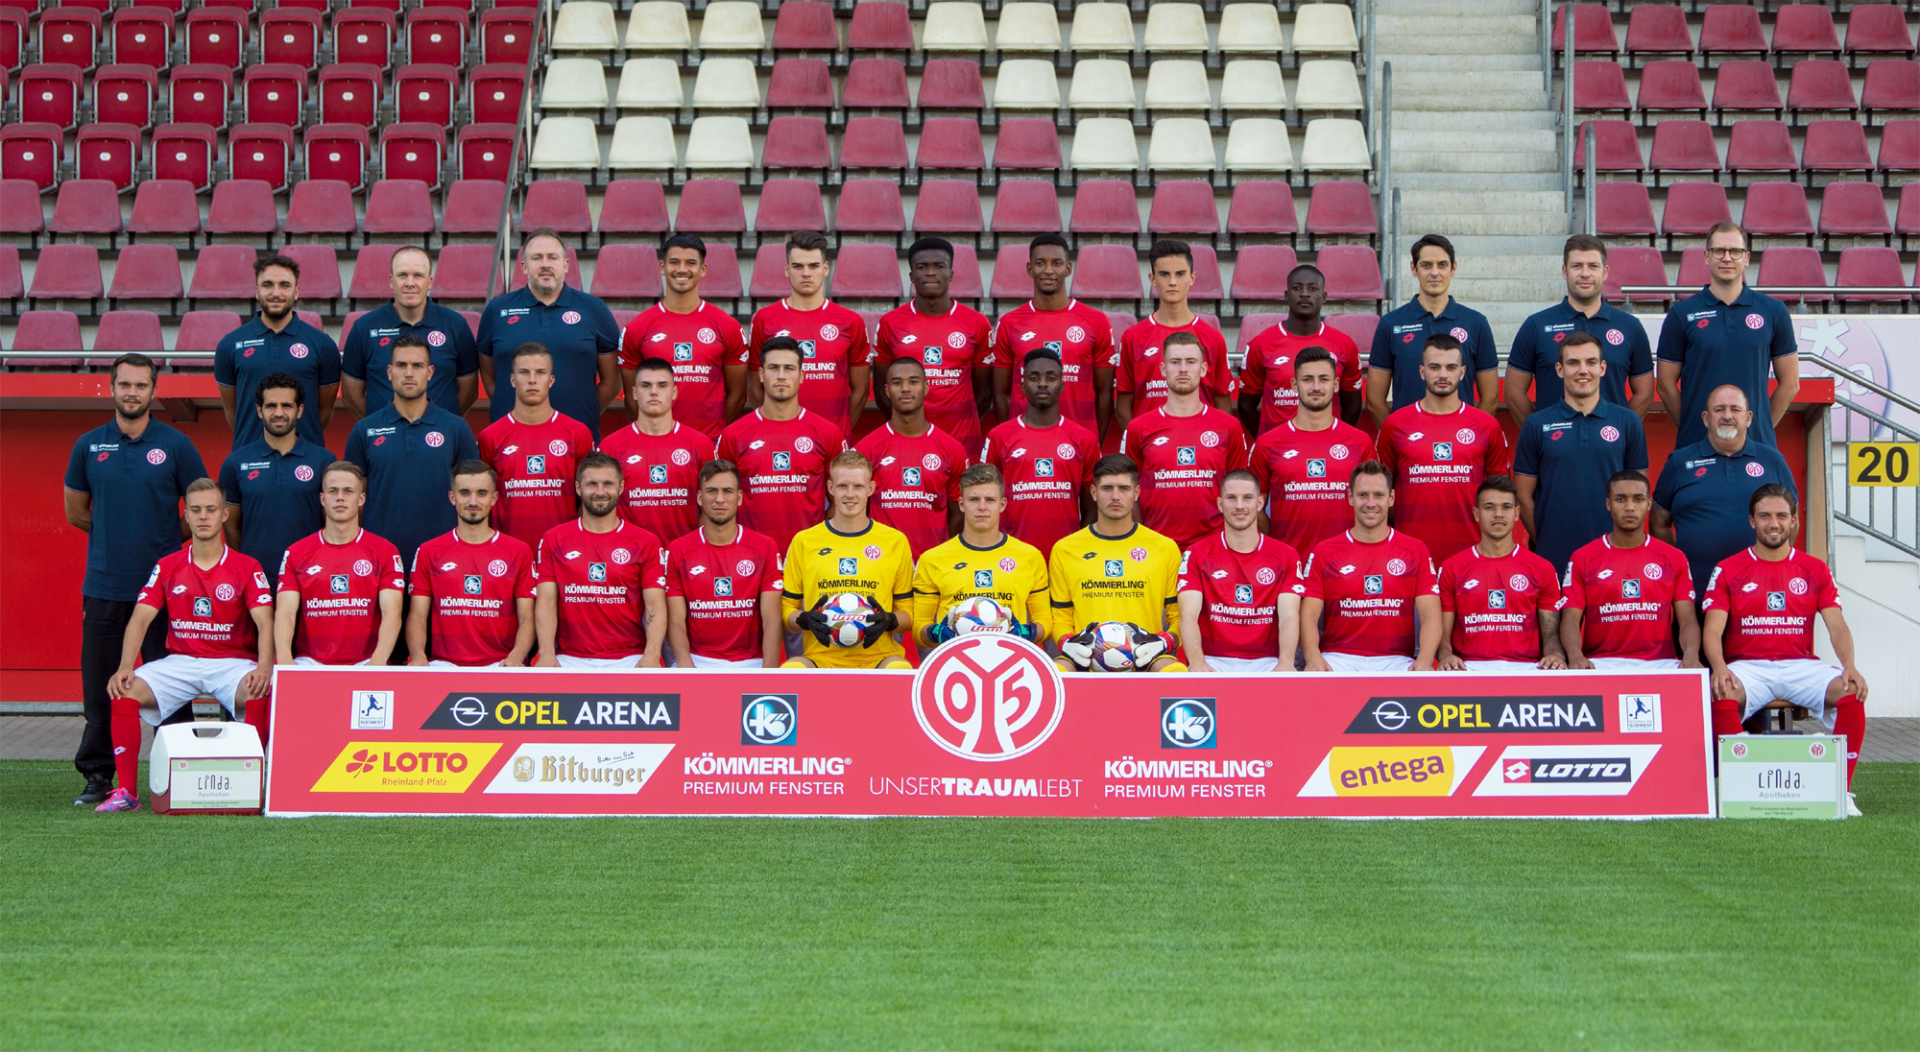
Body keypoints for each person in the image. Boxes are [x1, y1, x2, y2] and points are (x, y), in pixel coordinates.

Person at [64, 353, 208, 806]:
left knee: (174, 685)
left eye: (141, 385)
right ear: (111, 388)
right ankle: (98, 775)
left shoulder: (178, 444)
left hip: (167, 592)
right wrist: (113, 534)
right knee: (102, 685)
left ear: (153, 390)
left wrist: (165, 539)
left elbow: (200, 508)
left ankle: (177, 769)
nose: (132, 392)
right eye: (124, 384)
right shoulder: (88, 445)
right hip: (105, 587)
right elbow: (76, 511)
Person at [93, 479, 274, 813]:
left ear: (224, 514)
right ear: (186, 517)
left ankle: (257, 789)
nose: (203, 516)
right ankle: (127, 792)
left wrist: (264, 667)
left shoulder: (247, 566)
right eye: (195, 510)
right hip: (181, 661)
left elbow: (265, 621)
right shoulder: (168, 565)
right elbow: (140, 618)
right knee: (124, 690)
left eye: (210, 509)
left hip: (232, 663)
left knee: (259, 689)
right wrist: (124, 667)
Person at [1703, 485, 1867, 813]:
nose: (1773, 523)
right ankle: (1740, 789)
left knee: (1851, 690)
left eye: (1781, 515)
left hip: (1800, 665)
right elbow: (1712, 629)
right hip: (1749, 667)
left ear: (1794, 521)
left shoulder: (1815, 568)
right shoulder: (1729, 568)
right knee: (1721, 692)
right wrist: (1719, 667)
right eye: (1765, 516)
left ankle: (1841, 791)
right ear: (1752, 521)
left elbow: (1837, 626)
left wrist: (1849, 665)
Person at [1512, 332, 1650, 575]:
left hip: (1614, 557)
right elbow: (1523, 496)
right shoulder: (1536, 425)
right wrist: (1547, 541)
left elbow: (1638, 493)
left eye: (1591, 362)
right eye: (1573, 363)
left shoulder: (1628, 422)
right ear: (1559, 369)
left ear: (1603, 367)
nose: (1582, 370)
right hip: (1554, 557)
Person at [1656, 221, 1800, 449]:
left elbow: (1790, 383)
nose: (1727, 258)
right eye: (1719, 251)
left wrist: (1757, 428)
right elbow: (1665, 384)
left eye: (1735, 251)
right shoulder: (1681, 314)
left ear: (1747, 258)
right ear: (1706, 257)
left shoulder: (1773, 312)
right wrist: (1692, 426)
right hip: (1697, 445)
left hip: (1756, 447)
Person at [343, 335, 481, 572]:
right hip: (381, 561)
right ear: (389, 371)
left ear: (430, 372)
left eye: (417, 366)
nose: (409, 373)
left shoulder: (456, 428)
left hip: (444, 561)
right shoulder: (363, 430)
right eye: (401, 365)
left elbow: (473, 498)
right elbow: (355, 502)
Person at [1374, 334, 1511, 566]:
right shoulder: (1395, 425)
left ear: (1463, 372)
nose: (1443, 375)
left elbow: (1500, 496)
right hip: (1410, 556)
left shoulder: (1486, 425)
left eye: (1451, 367)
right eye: (1434, 367)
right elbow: (1380, 493)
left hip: (1472, 556)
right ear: (1421, 371)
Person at [1652, 383, 1798, 596]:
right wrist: (1680, 569)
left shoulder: (1773, 460)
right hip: (1695, 594)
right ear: (1705, 418)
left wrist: (1773, 564)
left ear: (1748, 418)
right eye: (1719, 409)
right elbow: (1658, 524)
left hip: (1759, 593)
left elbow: (1792, 521)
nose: (1727, 416)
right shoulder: (1679, 461)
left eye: (1735, 409)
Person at [477, 227, 621, 440]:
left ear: (566, 265)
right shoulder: (497, 311)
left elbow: (612, 382)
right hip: (510, 440)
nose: (545, 264)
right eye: (537, 258)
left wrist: (582, 416)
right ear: (524, 267)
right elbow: (491, 380)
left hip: (575, 440)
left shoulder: (594, 310)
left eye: (552, 257)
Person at [1048, 455, 1186, 674]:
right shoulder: (1065, 549)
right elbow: (1060, 617)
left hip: (1146, 657)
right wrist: (1068, 644)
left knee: (1177, 673)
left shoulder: (1164, 548)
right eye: (1107, 488)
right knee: (1052, 673)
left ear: (1136, 493)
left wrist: (1163, 643)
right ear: (1094, 493)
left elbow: (1179, 616)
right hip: (1087, 658)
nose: (1115, 496)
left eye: (1123, 488)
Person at [1299, 461, 1442, 672]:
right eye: (1363, 495)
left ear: (1391, 498)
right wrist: (1312, 658)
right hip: (1338, 659)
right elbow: (1308, 615)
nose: (1370, 503)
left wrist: (1425, 660)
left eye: (1379, 495)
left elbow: (1431, 614)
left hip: (1397, 660)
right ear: (1350, 497)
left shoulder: (1415, 550)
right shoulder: (1325, 551)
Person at [272, 462, 406, 687]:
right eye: (333, 491)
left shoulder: (385, 551)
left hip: (366, 662)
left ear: (361, 499)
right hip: (311, 663)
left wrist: (379, 660)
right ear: (323, 499)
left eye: (348, 491)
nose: (340, 498)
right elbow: (285, 612)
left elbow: (392, 612)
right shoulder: (296, 552)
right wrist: (285, 660)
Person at [781, 451, 916, 669]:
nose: (850, 494)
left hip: (878, 658)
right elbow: (787, 607)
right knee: (791, 670)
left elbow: (908, 613)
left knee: (899, 670)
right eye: (842, 486)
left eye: (858, 487)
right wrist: (804, 619)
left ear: (870, 488)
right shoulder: (804, 541)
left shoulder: (895, 541)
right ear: (830, 487)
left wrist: (889, 621)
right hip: (821, 658)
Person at [715, 337, 848, 557]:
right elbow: (721, 503)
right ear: (760, 375)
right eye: (773, 368)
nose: (781, 376)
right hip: (750, 558)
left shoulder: (827, 433)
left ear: (802, 375)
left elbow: (841, 502)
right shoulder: (733, 435)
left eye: (789, 368)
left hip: (810, 556)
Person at [532, 452, 667, 668]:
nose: (600, 492)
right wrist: (546, 653)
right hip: (569, 658)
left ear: (621, 487)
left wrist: (651, 655)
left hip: (629, 658)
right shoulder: (553, 539)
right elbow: (546, 602)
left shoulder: (646, 541)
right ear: (578, 488)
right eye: (592, 484)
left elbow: (655, 605)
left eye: (608, 484)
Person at [1559, 470, 1702, 671]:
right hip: (1600, 664)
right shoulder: (1583, 557)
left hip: (1661, 664)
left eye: (1638, 499)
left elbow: (1687, 619)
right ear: (1608, 504)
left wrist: (1690, 655)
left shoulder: (1673, 557)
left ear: (1649, 505)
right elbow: (1570, 619)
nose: (1629, 507)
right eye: (1620, 499)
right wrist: (1575, 656)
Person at [1503, 235, 1654, 423]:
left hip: (1610, 448)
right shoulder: (1536, 326)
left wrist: (1621, 432)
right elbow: (1513, 393)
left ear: (1605, 272)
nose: (1585, 273)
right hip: (1554, 449)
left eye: (1593, 266)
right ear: (1565, 271)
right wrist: (1540, 436)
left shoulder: (1630, 327)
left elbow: (1645, 393)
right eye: (1577, 266)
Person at [1120, 331, 1249, 548]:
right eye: (1175, 362)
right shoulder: (1138, 428)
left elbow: (1239, 491)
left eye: (1190, 361)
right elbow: (1130, 493)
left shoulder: (1228, 426)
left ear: (1203, 369)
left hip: (1213, 547)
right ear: (1163, 369)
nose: (1182, 368)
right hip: (1156, 546)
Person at [1247, 346, 1378, 558]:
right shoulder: (1267, 444)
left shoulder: (1360, 442)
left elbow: (1373, 506)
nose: (1316, 387)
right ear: (1294, 384)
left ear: (1336, 385)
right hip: (1290, 567)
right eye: (1307, 379)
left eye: (1324, 379)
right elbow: (1253, 507)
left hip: (1348, 563)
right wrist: (1279, 544)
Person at [406, 461, 536, 667]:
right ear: (452, 497)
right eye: (465, 493)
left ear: (493, 498)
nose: (473, 501)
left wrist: (516, 657)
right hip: (444, 665)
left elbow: (528, 616)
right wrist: (418, 656)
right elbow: (417, 615)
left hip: (501, 665)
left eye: (482, 493)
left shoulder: (519, 551)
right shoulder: (429, 551)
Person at [873, 236, 995, 453]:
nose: (930, 272)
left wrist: (961, 423)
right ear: (911, 276)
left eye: (939, 266)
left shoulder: (977, 323)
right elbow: (882, 388)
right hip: (908, 440)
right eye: (922, 267)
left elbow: (984, 393)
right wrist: (906, 424)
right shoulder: (890, 323)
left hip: (963, 442)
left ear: (951, 274)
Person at [621, 233, 749, 439]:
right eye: (674, 262)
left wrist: (710, 437)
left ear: (702, 270)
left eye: (690, 263)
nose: (682, 269)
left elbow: (737, 396)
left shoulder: (728, 327)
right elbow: (631, 397)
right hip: (656, 442)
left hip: (709, 444)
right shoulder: (637, 328)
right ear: (662, 267)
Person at [991, 233, 1117, 439]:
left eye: (1056, 263)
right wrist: (1012, 437)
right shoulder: (1010, 323)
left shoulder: (1096, 321)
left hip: (1079, 443)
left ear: (1067, 269)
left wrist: (1093, 442)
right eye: (1040, 263)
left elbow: (1105, 395)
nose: (1048, 270)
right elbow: (1000, 394)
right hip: (1023, 444)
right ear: (1030, 269)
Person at [911, 463, 1051, 648]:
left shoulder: (1030, 556)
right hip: (955, 662)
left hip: (1011, 659)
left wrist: (1025, 633)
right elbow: (919, 628)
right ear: (962, 504)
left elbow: (1045, 623)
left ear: (1002, 505)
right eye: (974, 499)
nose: (982, 507)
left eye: (990, 500)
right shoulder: (932, 559)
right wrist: (936, 633)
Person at [1436, 475, 1567, 672]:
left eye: (1506, 507)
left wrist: (1555, 655)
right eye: (1489, 507)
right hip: (1469, 668)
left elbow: (1551, 636)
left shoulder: (1542, 568)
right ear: (1477, 513)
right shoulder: (1452, 568)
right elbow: (1443, 637)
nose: (1498, 514)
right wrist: (1446, 656)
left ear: (1516, 513)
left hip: (1527, 668)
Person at [1177, 469, 1302, 673]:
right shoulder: (1196, 553)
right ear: (1220, 504)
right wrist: (1198, 662)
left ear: (1260, 503)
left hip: (1267, 662)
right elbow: (1187, 615)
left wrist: (1286, 663)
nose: (1240, 506)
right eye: (1231, 498)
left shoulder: (1286, 555)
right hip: (1212, 660)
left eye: (1247, 498)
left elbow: (1289, 615)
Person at [980, 348, 1101, 560]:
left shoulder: (1085, 439)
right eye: (1034, 378)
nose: (1043, 383)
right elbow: (986, 500)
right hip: (1011, 558)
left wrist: (1077, 549)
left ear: (1062, 386)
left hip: (1067, 557)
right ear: (1023, 385)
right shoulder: (999, 436)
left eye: (1051, 378)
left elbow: (1091, 506)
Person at [1366, 234, 1499, 424]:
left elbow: (1490, 399)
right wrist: (1398, 437)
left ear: (1453, 268)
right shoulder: (1391, 324)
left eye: (1442, 265)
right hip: (1409, 446)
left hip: (1461, 444)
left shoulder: (1476, 323)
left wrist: (1468, 436)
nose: (1434, 272)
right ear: (1414, 268)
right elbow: (1374, 401)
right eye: (1426, 265)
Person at [665, 459, 786, 668]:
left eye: (727, 491)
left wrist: (769, 673)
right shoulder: (678, 550)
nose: (719, 499)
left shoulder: (764, 547)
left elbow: (772, 620)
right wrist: (686, 667)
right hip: (698, 661)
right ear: (700, 498)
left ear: (739, 498)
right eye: (712, 491)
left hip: (752, 662)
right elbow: (675, 621)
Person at [748, 231, 872, 434]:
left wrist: (836, 432)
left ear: (825, 269)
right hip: (781, 437)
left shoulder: (850, 322)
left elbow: (861, 389)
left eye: (813, 266)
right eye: (798, 266)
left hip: (832, 443)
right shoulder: (765, 319)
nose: (806, 273)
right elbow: (755, 387)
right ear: (787, 270)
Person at [218, 372, 332, 588]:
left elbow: (330, 522)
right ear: (259, 410)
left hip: (309, 578)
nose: (279, 413)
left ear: (299, 410)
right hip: (256, 580)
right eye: (271, 406)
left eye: (287, 406)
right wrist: (245, 567)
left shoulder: (324, 461)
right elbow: (231, 526)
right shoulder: (235, 463)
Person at [476, 342, 596, 547]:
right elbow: (483, 501)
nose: (532, 380)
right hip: (507, 557)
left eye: (540, 373)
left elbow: (587, 498)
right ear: (513, 380)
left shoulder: (577, 433)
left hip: (562, 553)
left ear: (551, 380)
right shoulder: (491, 437)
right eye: (524, 372)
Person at [215, 253, 339, 448]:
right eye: (267, 285)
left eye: (284, 285)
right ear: (256, 291)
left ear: (296, 291)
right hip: (248, 459)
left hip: (306, 461)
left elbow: (323, 413)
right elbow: (234, 414)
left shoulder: (322, 345)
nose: (276, 293)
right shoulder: (230, 345)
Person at [340, 245, 480, 417]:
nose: (410, 283)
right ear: (391, 281)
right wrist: (380, 428)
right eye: (402, 275)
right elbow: (351, 395)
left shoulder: (456, 326)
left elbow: (469, 392)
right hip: (384, 441)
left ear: (429, 282)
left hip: (439, 440)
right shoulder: (363, 329)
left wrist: (444, 426)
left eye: (418, 276)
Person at [855, 356, 971, 558]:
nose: (906, 388)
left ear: (925, 388)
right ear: (886, 390)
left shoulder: (953, 449)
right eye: (897, 383)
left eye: (914, 382)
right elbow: (857, 511)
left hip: (933, 565)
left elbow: (957, 515)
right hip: (880, 562)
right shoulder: (866, 449)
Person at [1113, 239, 1234, 425]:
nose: (1172, 282)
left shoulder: (1212, 337)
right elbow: (1123, 407)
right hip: (1149, 448)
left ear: (1192, 278)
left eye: (1180, 274)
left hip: (1202, 446)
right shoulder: (1133, 337)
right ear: (1152, 279)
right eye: (1164, 274)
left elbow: (1223, 405)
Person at [597, 356, 715, 544]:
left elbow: (711, 506)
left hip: (683, 557)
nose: (653, 392)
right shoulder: (611, 446)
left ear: (674, 391)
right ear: (634, 393)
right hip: (629, 557)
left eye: (662, 385)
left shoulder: (700, 445)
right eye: (645, 386)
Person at [1238, 263, 1365, 434]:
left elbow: (1353, 405)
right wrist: (1267, 442)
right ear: (1286, 295)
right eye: (1297, 288)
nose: (1304, 293)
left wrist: (1336, 438)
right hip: (1278, 453)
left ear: (1324, 296)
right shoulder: (1260, 344)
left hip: (1327, 448)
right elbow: (1246, 406)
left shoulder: (1344, 345)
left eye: (1313, 288)